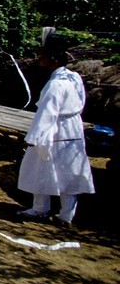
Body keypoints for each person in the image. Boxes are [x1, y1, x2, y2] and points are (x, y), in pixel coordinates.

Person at [17, 35, 95, 226]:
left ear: (54, 59)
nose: (39, 59)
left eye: (43, 56)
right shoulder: (74, 77)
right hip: (72, 128)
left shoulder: (56, 84)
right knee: (67, 171)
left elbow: (47, 112)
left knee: (42, 168)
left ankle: (43, 209)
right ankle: (63, 213)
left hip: (56, 130)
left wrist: (33, 136)